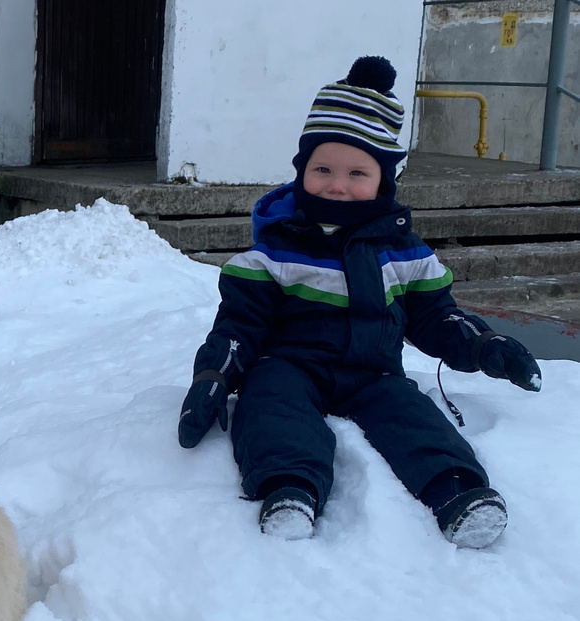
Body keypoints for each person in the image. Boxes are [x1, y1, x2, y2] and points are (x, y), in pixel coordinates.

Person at [177, 56, 541, 547]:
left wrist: (484, 345)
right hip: (291, 366)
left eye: (357, 172)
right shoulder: (274, 252)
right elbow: (239, 326)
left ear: (383, 181)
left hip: (374, 374)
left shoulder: (406, 253)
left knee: (412, 415)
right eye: (322, 168)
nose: (337, 184)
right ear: (302, 170)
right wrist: (213, 377)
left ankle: (456, 490)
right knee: (272, 407)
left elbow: (437, 316)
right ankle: (290, 488)